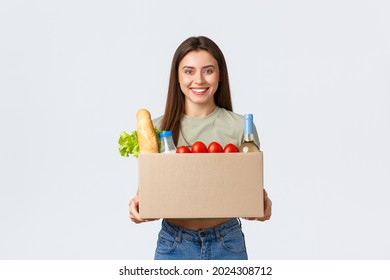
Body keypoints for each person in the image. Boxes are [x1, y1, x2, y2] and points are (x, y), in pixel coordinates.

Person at [129, 36, 272, 260]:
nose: (198, 80)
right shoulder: (157, 128)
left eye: (208, 71)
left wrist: (260, 204)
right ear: (177, 76)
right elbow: (151, 192)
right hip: (174, 243)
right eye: (189, 71)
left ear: (220, 75)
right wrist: (138, 205)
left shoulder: (240, 126)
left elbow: (247, 191)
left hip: (227, 242)